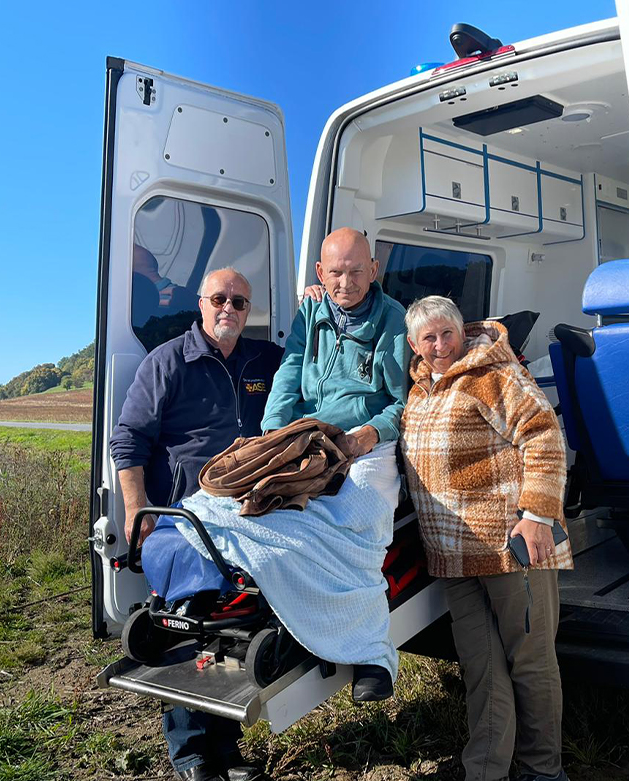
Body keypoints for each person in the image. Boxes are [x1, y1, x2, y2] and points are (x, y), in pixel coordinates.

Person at [110, 267, 282, 781]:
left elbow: (312, 367)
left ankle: (226, 748)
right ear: (200, 304)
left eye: (240, 302)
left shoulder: (264, 359)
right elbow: (129, 440)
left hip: (245, 512)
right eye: (219, 299)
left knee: (236, 627)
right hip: (183, 514)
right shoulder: (167, 361)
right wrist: (136, 510)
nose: (228, 308)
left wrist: (320, 301)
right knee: (190, 627)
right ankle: (191, 755)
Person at [399, 296, 572, 781]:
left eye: (447, 333)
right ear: (414, 345)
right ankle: (486, 769)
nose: (439, 345)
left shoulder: (494, 374)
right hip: (454, 557)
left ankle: (542, 769)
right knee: (482, 669)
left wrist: (538, 513)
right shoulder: (419, 390)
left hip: (511, 546)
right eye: (428, 338)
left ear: (462, 332)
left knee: (530, 664)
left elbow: (544, 436)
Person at [258, 226, 409, 698]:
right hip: (310, 432)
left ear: (374, 270)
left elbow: (406, 401)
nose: (346, 283)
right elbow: (290, 368)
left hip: (368, 438)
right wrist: (271, 431)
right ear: (321, 273)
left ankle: (372, 654)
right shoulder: (312, 311)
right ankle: (294, 623)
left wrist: (373, 432)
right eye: (336, 273)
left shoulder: (393, 320)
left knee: (357, 514)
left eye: (356, 271)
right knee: (261, 501)